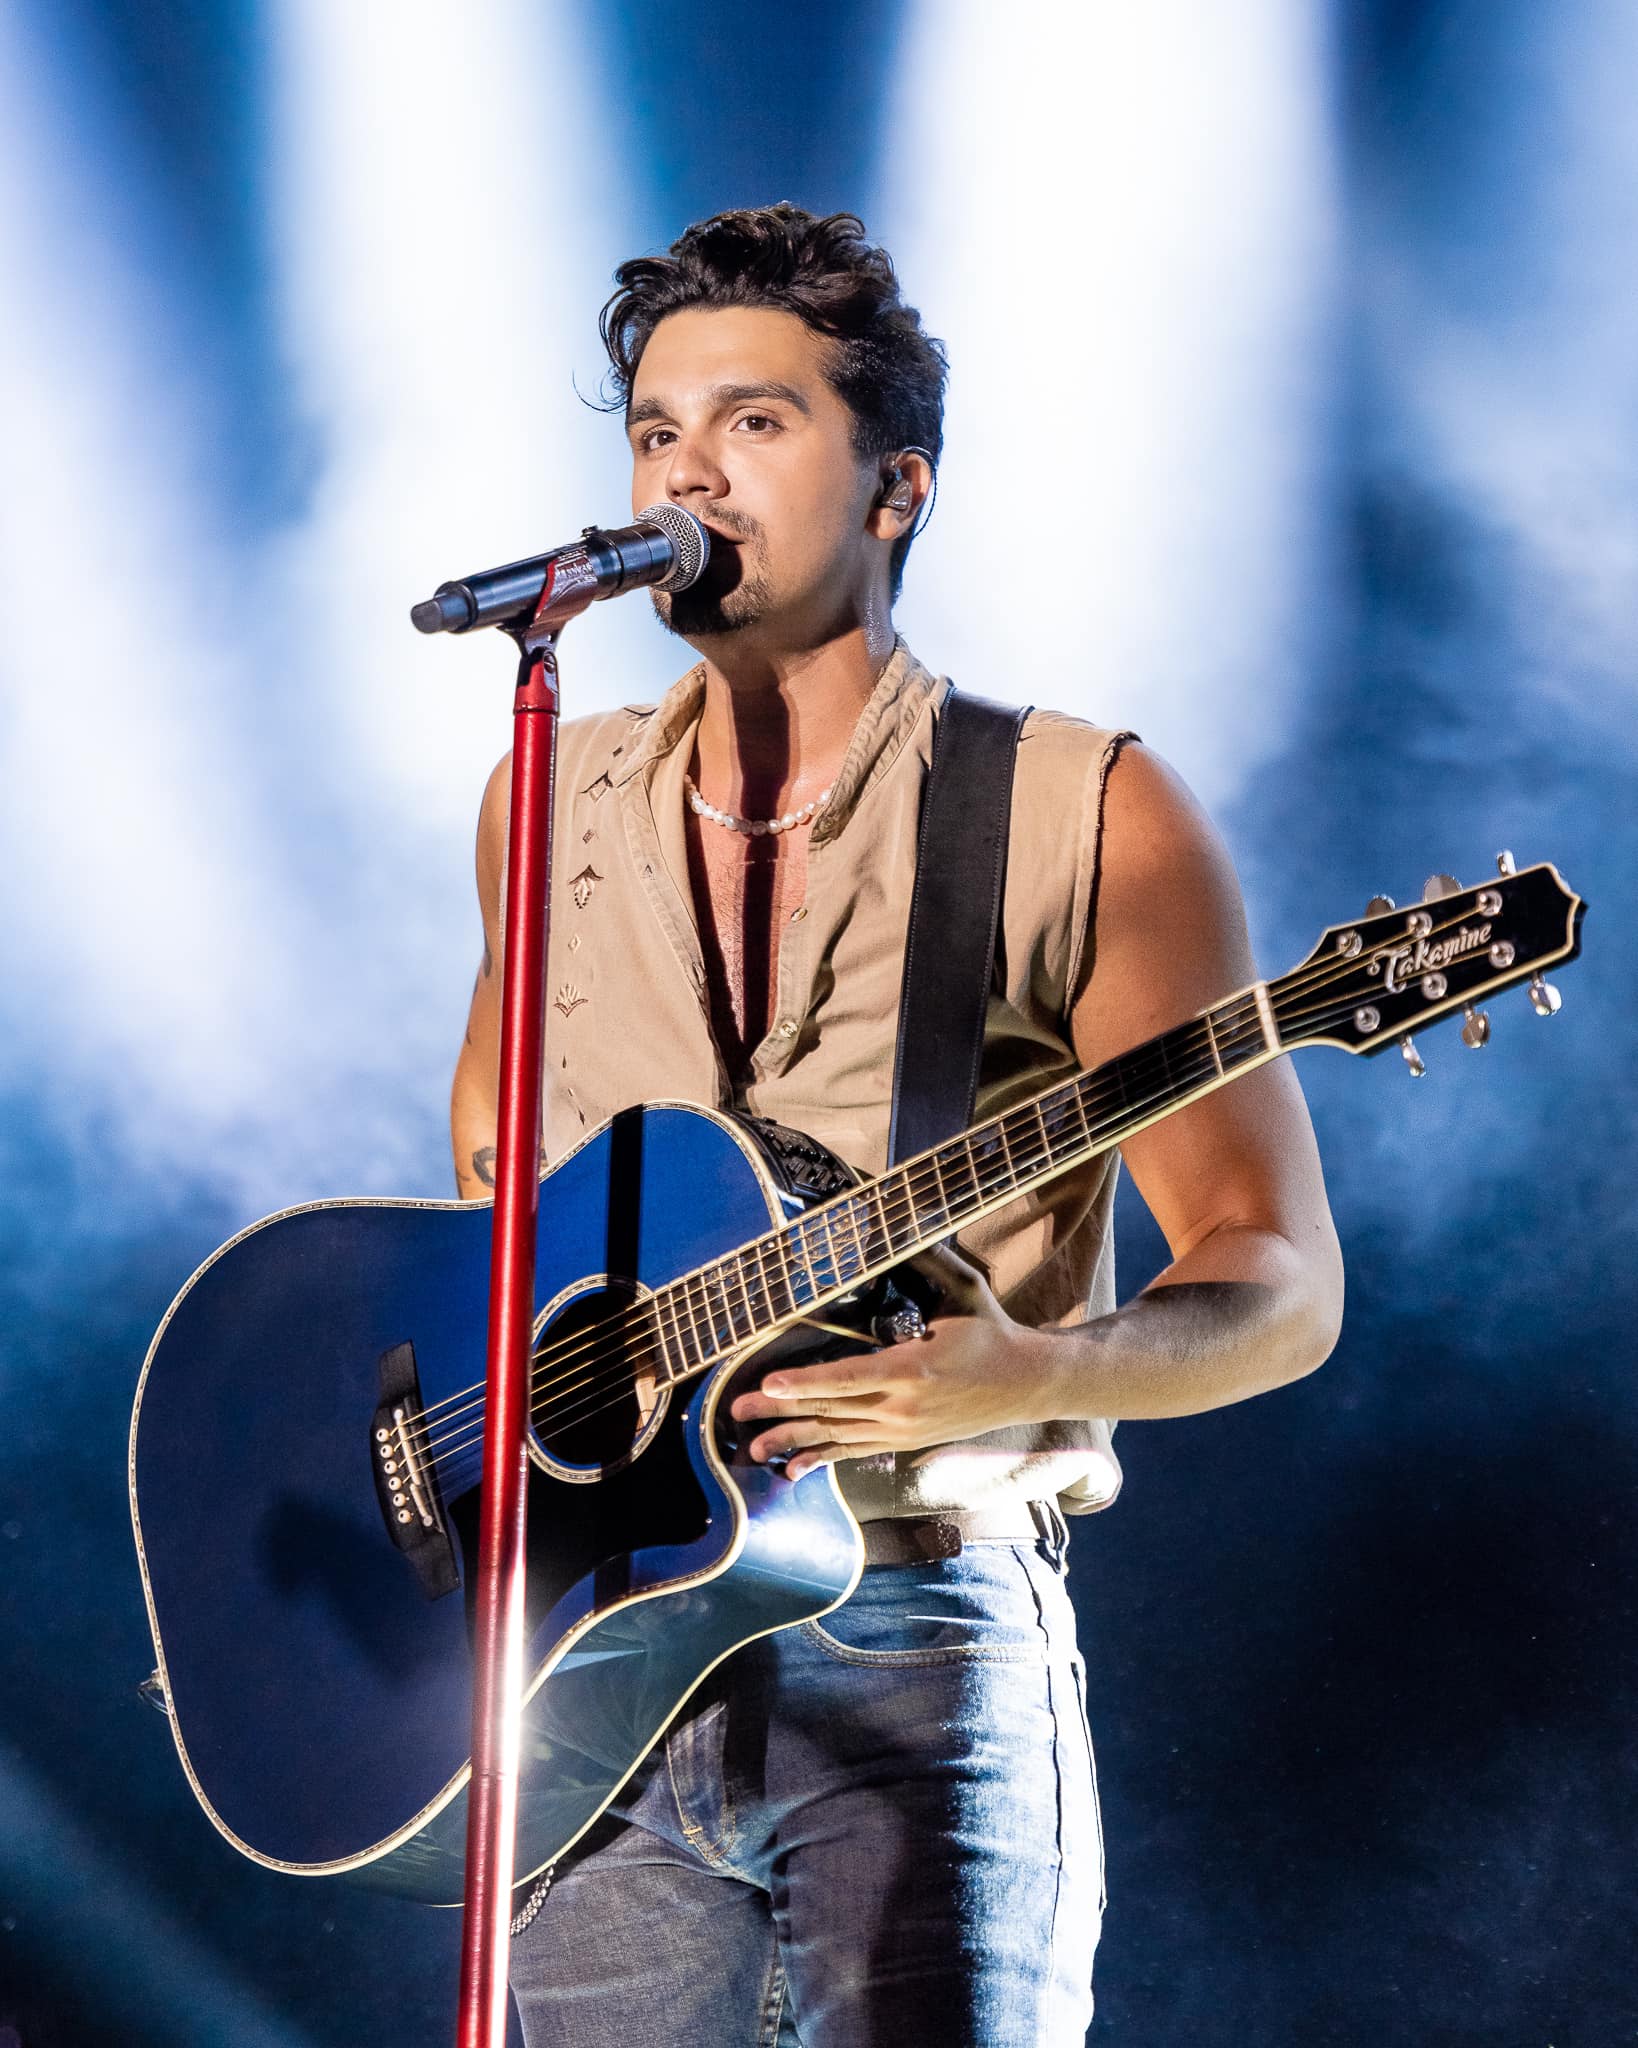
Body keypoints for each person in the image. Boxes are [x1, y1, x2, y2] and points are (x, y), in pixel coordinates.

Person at [449, 205, 1343, 2047]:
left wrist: (1032, 1369)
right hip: (594, 1661)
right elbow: (485, 1190)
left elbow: (1277, 1277)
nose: (686, 471)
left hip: (914, 1628)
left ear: (894, 487)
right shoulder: (550, 798)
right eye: (654, 430)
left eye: (754, 421)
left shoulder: (1079, 807)